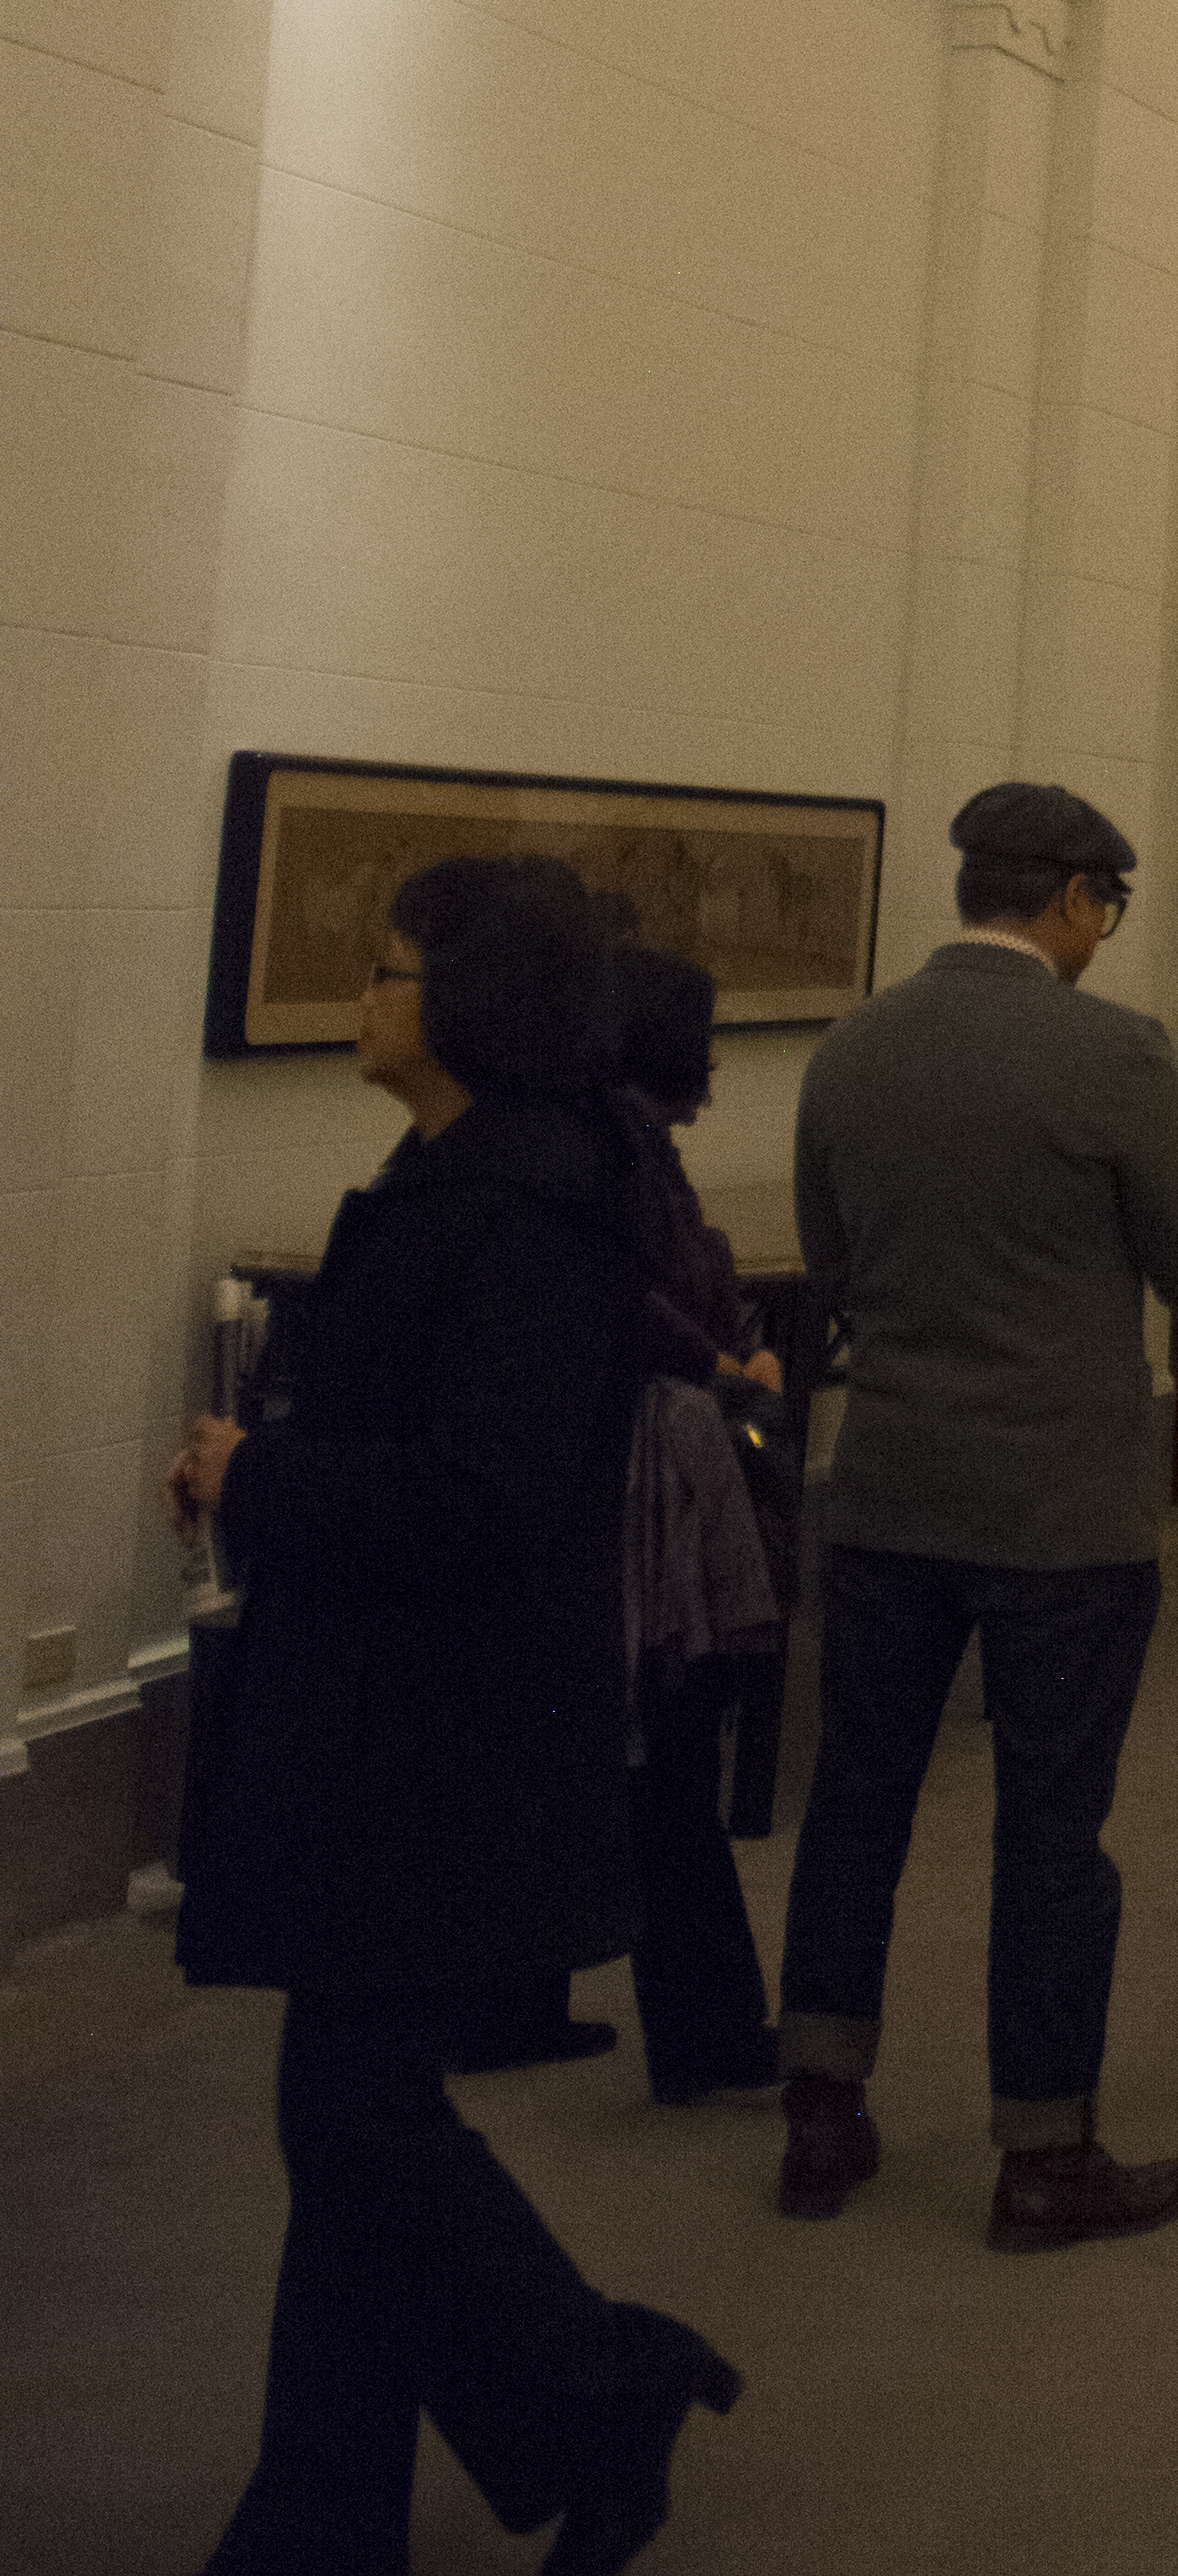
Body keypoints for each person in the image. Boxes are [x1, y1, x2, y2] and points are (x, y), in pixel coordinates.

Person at [169, 855, 745, 2576]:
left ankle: (597, 2383)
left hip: (438, 1741)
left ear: (473, 1006)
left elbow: (484, 1493)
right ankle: (321, 2518)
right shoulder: (465, 1175)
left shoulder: (522, 1208)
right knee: (349, 2122)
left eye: (392, 972)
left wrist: (260, 1475)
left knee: (356, 2120)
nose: (365, 997)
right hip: (393, 1721)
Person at [775, 781, 1178, 2249]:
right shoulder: (1114, 1056)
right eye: (1103, 903)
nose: (1105, 929)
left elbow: (828, 1259)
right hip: (1062, 1510)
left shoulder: (851, 1048)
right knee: (1052, 1832)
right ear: (1067, 900)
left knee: (858, 1802)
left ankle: (820, 2109)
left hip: (892, 1490)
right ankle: (1044, 2153)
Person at [611, 944, 788, 2106]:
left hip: (650, 1463)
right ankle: (710, 2031)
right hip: (651, 1479)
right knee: (671, 1770)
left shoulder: (615, 1147)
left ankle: (701, 2027)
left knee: (655, 1769)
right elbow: (635, 1297)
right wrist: (730, 1366)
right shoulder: (622, 1159)